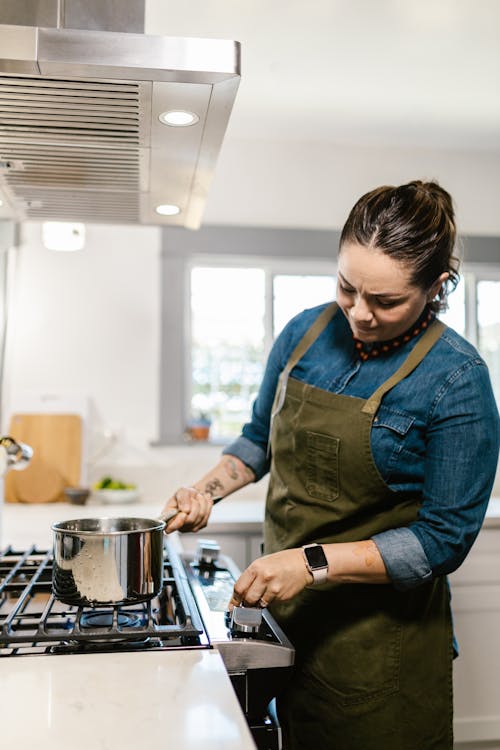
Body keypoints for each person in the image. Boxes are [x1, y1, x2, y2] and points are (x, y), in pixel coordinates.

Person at [161, 180, 500, 750]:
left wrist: (312, 563)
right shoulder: (304, 332)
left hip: (378, 649)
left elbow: (442, 541)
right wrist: (205, 491)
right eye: (347, 287)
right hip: (284, 624)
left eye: (386, 301)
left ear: (437, 286)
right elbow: (256, 441)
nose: (359, 314)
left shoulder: (457, 381)